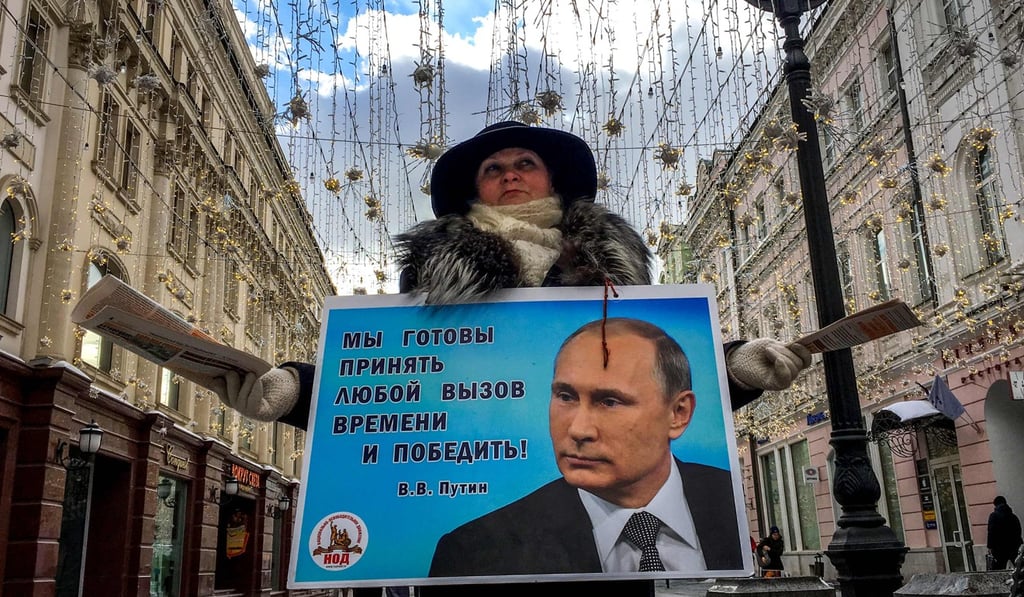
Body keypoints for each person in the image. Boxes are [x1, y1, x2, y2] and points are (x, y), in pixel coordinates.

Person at [213, 121, 813, 595]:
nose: (510, 175)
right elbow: (392, 382)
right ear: (476, 189)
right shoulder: (431, 278)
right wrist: (292, 390)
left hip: (603, 579)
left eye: (525, 163)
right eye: (493, 168)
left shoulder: (613, 276)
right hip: (474, 576)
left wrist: (736, 368)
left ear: (552, 180)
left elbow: (660, 380)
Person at [428, 318, 743, 577]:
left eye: (609, 401)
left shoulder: (731, 502)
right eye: (565, 396)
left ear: (679, 414)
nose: (578, 430)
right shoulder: (475, 552)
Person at [988, 496, 1023, 570]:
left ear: (995, 505)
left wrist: (990, 546)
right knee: (1019, 568)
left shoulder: (993, 516)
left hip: (999, 548)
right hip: (1013, 546)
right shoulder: (1013, 517)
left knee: (998, 570)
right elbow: (1018, 531)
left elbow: (991, 532)